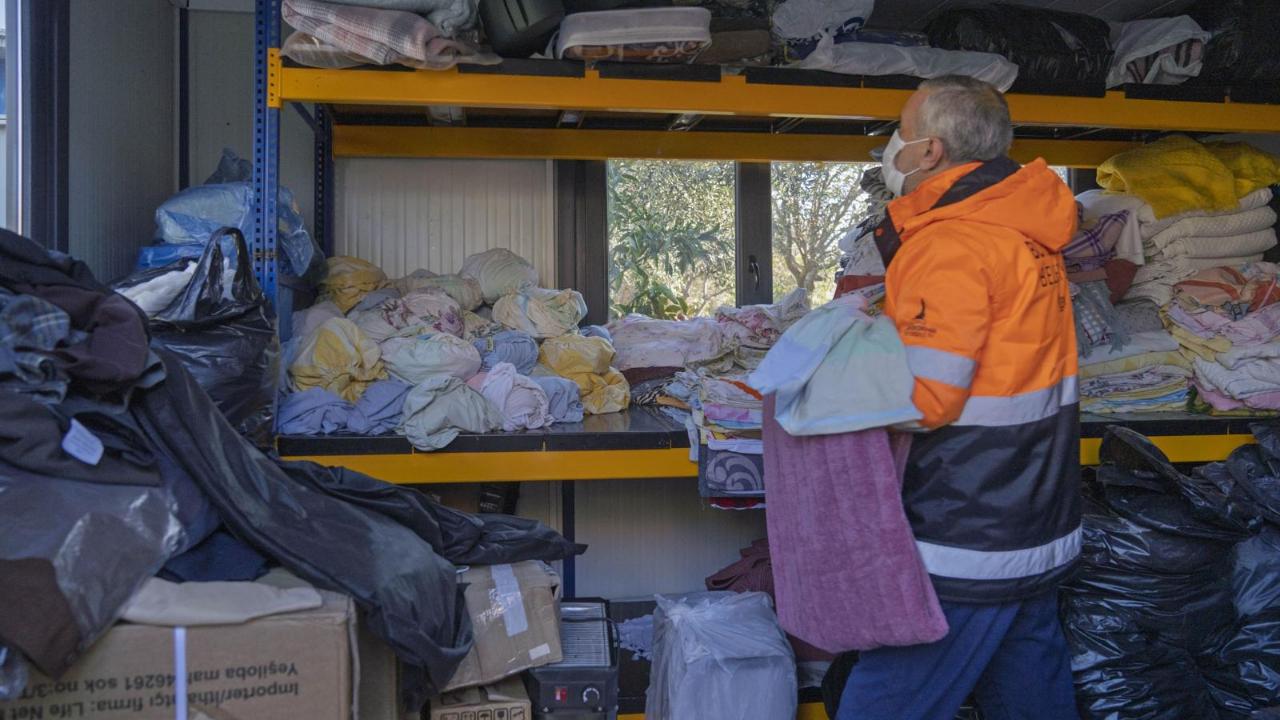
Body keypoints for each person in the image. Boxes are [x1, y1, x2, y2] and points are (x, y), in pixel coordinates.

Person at [837, 76, 1083, 719]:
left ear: (930, 152)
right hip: (1036, 514)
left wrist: (841, 368)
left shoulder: (949, 242)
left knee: (885, 698)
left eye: (900, 129)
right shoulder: (1027, 234)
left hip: (966, 529)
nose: (890, 144)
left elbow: (925, 402)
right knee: (1031, 689)